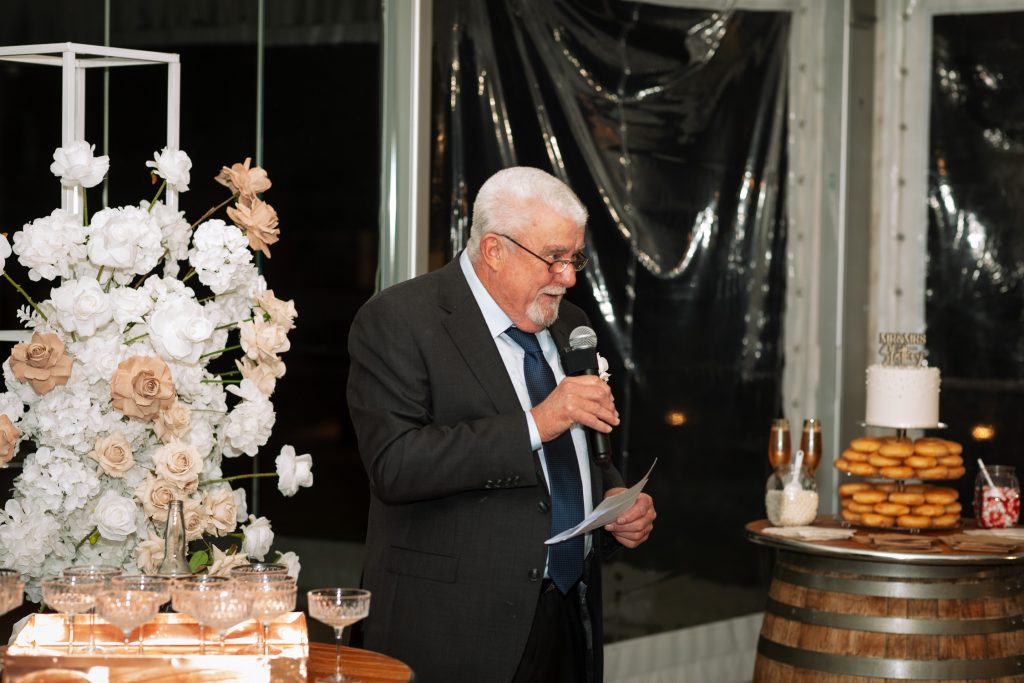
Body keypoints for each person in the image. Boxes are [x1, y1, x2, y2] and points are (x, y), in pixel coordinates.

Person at [347, 166, 656, 682]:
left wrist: (616, 501)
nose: (569, 277)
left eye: (574, 258)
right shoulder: (399, 321)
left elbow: (580, 454)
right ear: (494, 250)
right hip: (454, 628)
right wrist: (538, 422)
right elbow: (395, 465)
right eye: (554, 259)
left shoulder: (571, 323)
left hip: (567, 616)